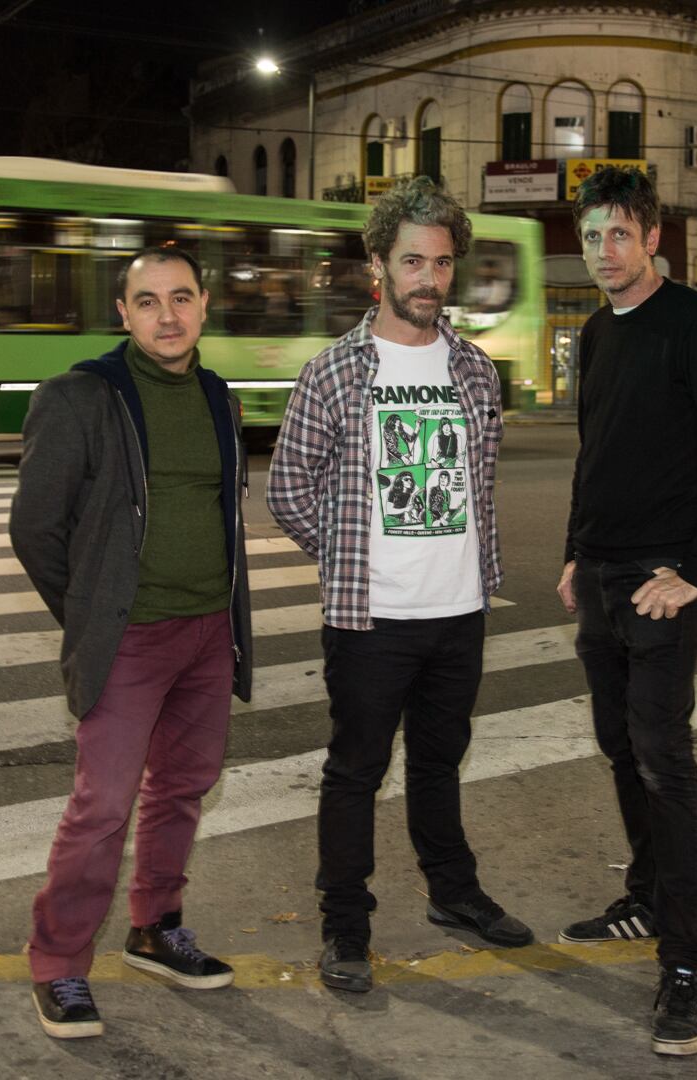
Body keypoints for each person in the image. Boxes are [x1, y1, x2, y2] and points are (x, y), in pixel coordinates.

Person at [267, 176, 528, 996]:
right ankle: (346, 923)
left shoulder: (477, 372)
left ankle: (453, 893)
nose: (428, 278)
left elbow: (479, 489)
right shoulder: (335, 372)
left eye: (442, 263)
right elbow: (287, 488)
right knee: (355, 770)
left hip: (458, 613)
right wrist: (350, 555)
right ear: (378, 263)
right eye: (412, 260)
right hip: (371, 619)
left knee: (442, 762)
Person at [9, 248, 254, 1040]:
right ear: (123, 313)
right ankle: (57, 963)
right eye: (147, 301)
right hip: (131, 639)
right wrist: (92, 609)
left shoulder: (219, 396)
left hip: (208, 631)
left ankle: (155, 926)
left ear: (205, 304)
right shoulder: (82, 397)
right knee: (103, 806)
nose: (167, 315)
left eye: (181, 297)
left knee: (183, 786)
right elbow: (36, 527)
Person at [553, 165, 697, 1057]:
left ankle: (687, 966)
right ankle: (645, 898)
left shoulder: (695, 322)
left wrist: (695, 569)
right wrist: (575, 544)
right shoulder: (598, 332)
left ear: (653, 238)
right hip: (601, 575)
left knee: (663, 758)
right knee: (618, 745)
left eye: (619, 234)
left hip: (659, 582)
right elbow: (593, 447)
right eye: (592, 235)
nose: (604, 251)